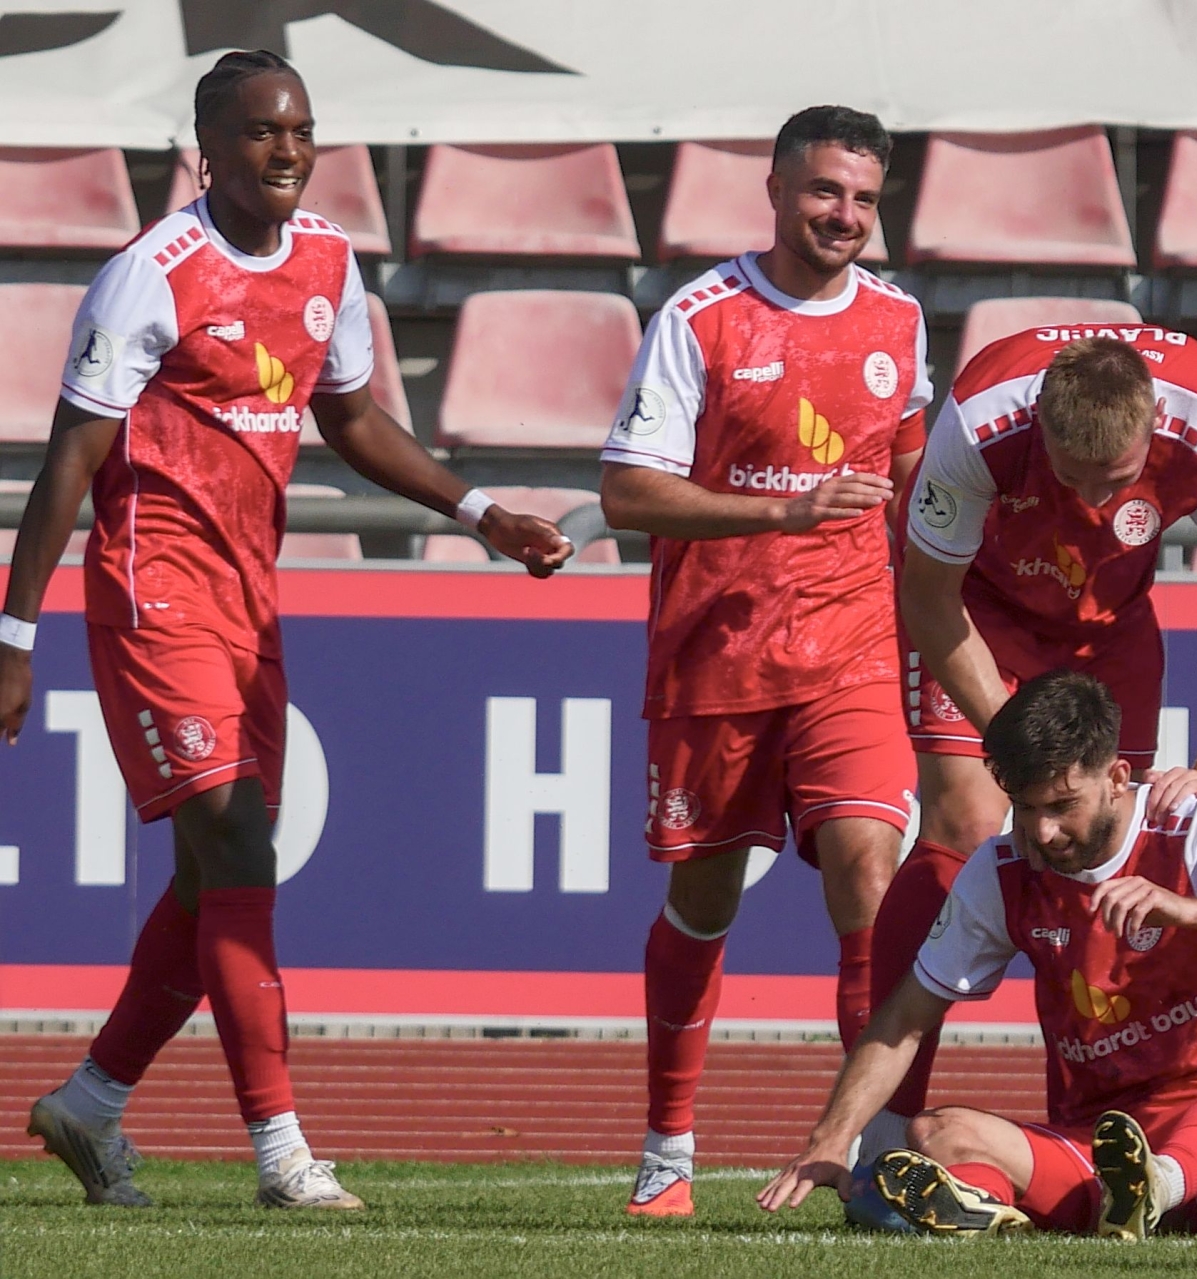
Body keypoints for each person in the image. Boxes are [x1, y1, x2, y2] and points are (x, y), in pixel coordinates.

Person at [2, 50, 573, 1210]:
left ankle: (93, 1100)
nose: (289, 149)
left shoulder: (326, 259)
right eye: (263, 130)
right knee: (239, 847)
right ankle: (282, 1152)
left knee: (212, 873)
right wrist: (14, 636)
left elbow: (353, 418)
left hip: (249, 603)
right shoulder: (149, 274)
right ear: (206, 150)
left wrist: (482, 512)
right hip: (153, 593)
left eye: (303, 129)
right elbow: (70, 458)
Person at [598, 105, 930, 1218]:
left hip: (853, 648)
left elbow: (915, 477)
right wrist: (784, 511)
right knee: (703, 902)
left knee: (870, 878)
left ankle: (876, 1154)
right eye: (825, 191)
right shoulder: (701, 318)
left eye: (864, 199)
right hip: (719, 658)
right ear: (777, 190)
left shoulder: (898, 318)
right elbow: (627, 491)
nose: (844, 215)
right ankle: (668, 1148)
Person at [864, 327, 1197, 1156]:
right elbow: (926, 593)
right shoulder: (982, 418)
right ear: (1040, 426)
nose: (1096, 503)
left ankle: (1126, 1116)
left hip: (1112, 627)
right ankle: (881, 1131)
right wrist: (1015, 743)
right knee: (963, 821)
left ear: (1154, 426)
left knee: (1110, 843)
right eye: (1072, 478)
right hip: (981, 612)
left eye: (1118, 480)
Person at [758, 670, 1197, 1239]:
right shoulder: (1003, 869)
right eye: (1026, 806)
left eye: (1062, 805)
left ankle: (1160, 1184)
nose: (1042, 832)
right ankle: (989, 1213)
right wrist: (831, 1139)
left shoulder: (1193, 825)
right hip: (1103, 1155)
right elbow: (903, 1020)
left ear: (1117, 777)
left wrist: (1188, 910)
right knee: (937, 1133)